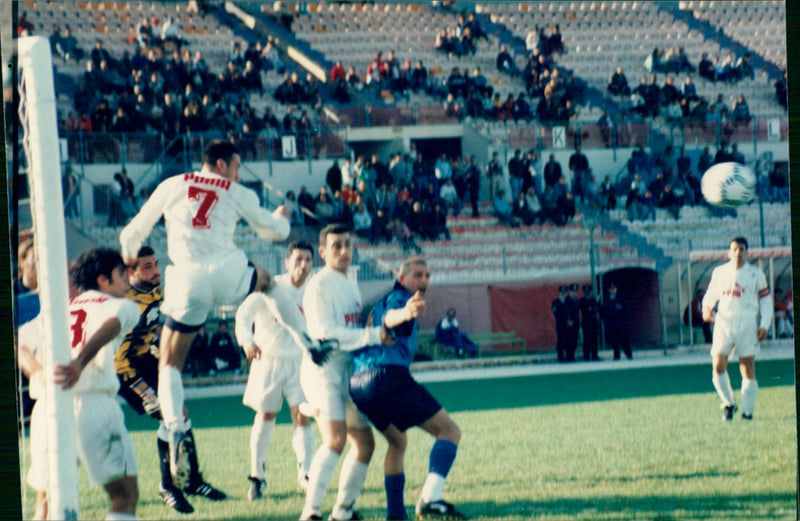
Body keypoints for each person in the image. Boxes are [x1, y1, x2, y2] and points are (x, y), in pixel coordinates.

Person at [119, 139, 330, 490]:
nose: (237, 171)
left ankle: (173, 427)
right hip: (228, 270)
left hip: (187, 279)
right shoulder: (235, 190)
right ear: (219, 164)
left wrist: (127, 254)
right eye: (235, 164)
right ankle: (307, 341)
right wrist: (281, 218)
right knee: (268, 284)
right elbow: (274, 231)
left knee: (169, 364)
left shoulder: (172, 185)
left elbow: (136, 230)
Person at [349, 257, 466, 521]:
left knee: (398, 441)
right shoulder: (400, 298)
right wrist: (406, 313)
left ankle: (396, 514)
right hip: (387, 377)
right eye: (417, 275)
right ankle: (431, 500)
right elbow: (393, 318)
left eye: (427, 275)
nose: (423, 280)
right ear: (401, 279)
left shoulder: (378, 302)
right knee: (449, 430)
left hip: (359, 384)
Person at [114, 246, 225, 514]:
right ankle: (168, 487)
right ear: (132, 272)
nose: (155, 271)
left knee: (180, 414)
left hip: (147, 359)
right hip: (125, 368)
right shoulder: (126, 303)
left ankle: (193, 481)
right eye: (147, 267)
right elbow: (119, 357)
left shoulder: (154, 290)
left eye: (155, 264)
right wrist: (143, 389)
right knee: (168, 416)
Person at [298, 223, 393, 521]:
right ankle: (310, 513)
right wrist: (374, 335)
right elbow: (324, 333)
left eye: (348, 245)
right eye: (336, 246)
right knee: (335, 440)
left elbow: (350, 327)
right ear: (323, 252)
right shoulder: (319, 285)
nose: (343, 251)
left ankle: (342, 512)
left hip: (348, 371)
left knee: (365, 444)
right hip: (323, 370)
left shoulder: (350, 280)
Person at [53, 248, 142, 520]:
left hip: (54, 407)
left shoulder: (61, 310)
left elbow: (23, 344)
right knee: (125, 496)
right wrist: (80, 363)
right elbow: (112, 325)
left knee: (48, 502)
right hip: (94, 405)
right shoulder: (122, 305)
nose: (128, 279)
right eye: (121, 274)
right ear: (103, 280)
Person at [234, 241, 318, 500]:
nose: (303, 265)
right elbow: (243, 315)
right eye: (298, 259)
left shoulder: (315, 290)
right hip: (268, 360)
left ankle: (305, 475)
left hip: (300, 362)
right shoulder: (270, 286)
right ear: (287, 261)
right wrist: (247, 341)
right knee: (266, 416)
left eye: (308, 260)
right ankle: (257, 476)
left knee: (302, 416)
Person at [702, 237, 772, 421]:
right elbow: (710, 295)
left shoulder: (756, 274)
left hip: (747, 323)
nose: (738, 253)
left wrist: (764, 324)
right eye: (735, 249)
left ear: (747, 253)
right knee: (717, 366)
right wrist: (706, 309)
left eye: (742, 249)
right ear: (729, 252)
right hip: (723, 322)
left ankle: (747, 413)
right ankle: (729, 403)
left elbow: (766, 301)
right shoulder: (720, 272)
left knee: (747, 367)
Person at [602, 283, 632, 360]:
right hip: (611, 324)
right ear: (609, 290)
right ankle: (616, 355)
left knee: (624, 340)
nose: (612, 290)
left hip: (621, 324)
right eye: (611, 289)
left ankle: (629, 354)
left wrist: (625, 322)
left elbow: (626, 311)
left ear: (616, 289)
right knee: (614, 341)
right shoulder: (606, 300)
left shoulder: (621, 299)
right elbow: (603, 312)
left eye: (614, 289)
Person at [579, 284, 600, 361]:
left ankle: (594, 355)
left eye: (589, 292)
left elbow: (597, 311)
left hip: (593, 323)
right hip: (586, 323)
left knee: (595, 340)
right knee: (586, 340)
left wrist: (598, 322)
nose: (587, 294)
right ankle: (586, 356)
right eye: (586, 292)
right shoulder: (581, 301)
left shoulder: (593, 301)